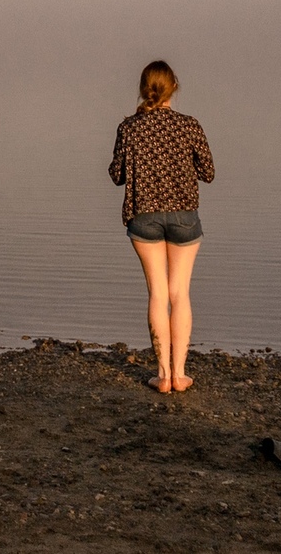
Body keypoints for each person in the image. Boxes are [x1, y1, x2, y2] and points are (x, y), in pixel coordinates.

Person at [108, 59, 215, 393]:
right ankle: (180, 375)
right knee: (179, 293)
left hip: (144, 215)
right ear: (174, 87)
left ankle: (163, 375)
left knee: (157, 293)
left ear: (143, 89)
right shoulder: (189, 125)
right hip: (184, 215)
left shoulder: (129, 128)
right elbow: (208, 173)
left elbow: (116, 175)